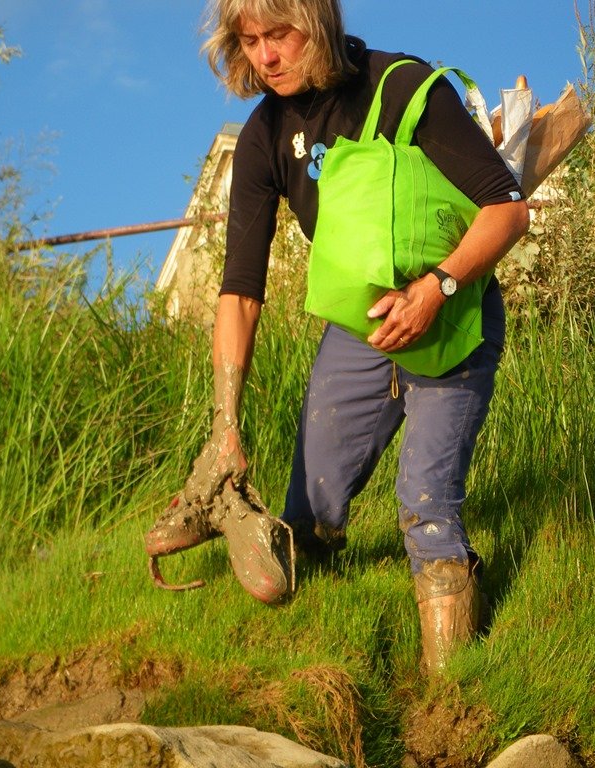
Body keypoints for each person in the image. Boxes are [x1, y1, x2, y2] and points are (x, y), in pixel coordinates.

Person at [186, 0, 530, 673]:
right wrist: (224, 422)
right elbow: (240, 292)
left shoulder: (401, 87)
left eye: (279, 35)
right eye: (250, 41)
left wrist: (439, 288)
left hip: (451, 320)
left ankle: (451, 696)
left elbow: (508, 209)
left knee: (426, 506)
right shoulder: (263, 136)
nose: (267, 57)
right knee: (306, 517)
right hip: (359, 332)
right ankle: (306, 659)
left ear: (317, 23)